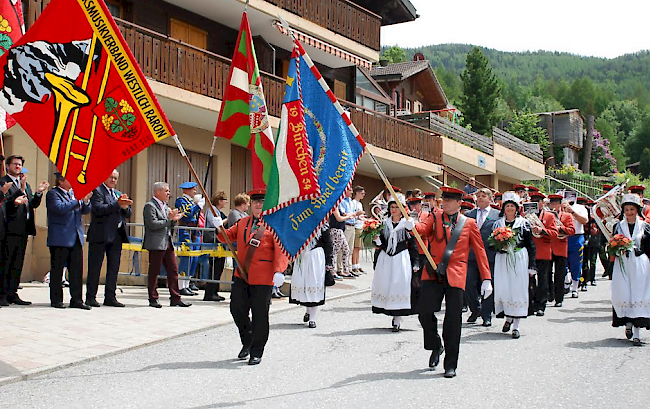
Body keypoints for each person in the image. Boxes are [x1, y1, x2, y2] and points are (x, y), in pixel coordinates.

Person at [415, 186, 492, 378]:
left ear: (459, 203)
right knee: (424, 312)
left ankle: (451, 364)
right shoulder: (435, 216)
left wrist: (486, 278)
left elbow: (480, 251)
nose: (445, 203)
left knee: (453, 320)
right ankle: (435, 345)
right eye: (444, 200)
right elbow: (423, 230)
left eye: (449, 200)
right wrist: (411, 225)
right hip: (433, 270)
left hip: (456, 274)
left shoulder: (469, 223)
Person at [212, 189, 288, 365]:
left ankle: (256, 351)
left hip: (263, 276)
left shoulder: (274, 224)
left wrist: (279, 270)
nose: (258, 205)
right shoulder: (242, 222)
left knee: (260, 315)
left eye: (262, 202)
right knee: (237, 309)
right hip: (242, 274)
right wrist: (218, 226)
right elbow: (226, 237)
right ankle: (247, 341)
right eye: (255, 202)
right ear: (251, 204)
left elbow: (281, 249)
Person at [0, 155, 48, 306]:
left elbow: (31, 203)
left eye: (20, 165)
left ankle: (12, 292)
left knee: (17, 263)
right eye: (14, 164)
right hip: (8, 229)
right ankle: (2, 294)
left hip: (23, 229)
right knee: (6, 263)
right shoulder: (3, 182)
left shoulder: (25, 184)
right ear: (7, 166)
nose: (17, 167)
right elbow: (5, 203)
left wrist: (39, 192)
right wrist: (17, 192)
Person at [490, 192, 537, 339]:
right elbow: (491, 244)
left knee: (517, 289)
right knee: (504, 288)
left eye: (512, 206)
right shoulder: (497, 224)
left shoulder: (524, 224)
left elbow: (531, 245)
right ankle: (508, 318)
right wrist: (500, 247)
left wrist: (532, 266)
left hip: (518, 259)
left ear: (517, 208)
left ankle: (516, 325)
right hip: (502, 260)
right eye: (507, 206)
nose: (509, 208)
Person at [46, 173, 92, 309]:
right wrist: (78, 200)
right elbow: (60, 209)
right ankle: (56, 300)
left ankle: (77, 299)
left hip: (76, 236)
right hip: (60, 237)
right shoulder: (53, 194)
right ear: (61, 181)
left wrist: (86, 201)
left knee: (76, 271)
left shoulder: (74, 194)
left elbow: (85, 210)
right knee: (57, 271)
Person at [371, 200, 419, 331]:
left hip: (400, 258)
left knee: (399, 285)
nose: (394, 209)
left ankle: (397, 319)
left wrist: (416, 262)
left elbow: (413, 244)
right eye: (392, 207)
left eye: (397, 207)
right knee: (385, 284)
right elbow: (380, 243)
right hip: (385, 258)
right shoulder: (384, 224)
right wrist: (376, 239)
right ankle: (388, 310)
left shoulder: (406, 224)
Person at [86, 169, 132, 308]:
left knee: (114, 268)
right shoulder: (97, 191)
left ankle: (110, 296)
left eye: (115, 178)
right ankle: (90, 297)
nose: (113, 180)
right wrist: (117, 204)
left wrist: (124, 206)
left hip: (117, 235)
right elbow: (99, 209)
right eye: (110, 177)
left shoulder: (117, 193)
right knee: (95, 267)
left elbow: (128, 213)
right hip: (100, 235)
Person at [610, 193, 650, 346]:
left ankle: (637, 333)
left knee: (640, 294)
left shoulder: (645, 227)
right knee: (624, 292)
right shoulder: (618, 226)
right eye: (626, 210)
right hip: (623, 264)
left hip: (640, 264)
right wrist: (617, 248)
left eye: (632, 209)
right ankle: (627, 323)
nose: (629, 213)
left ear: (637, 210)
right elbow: (613, 245)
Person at [142, 182, 190, 308]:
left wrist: (174, 220)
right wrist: (170, 220)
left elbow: (167, 224)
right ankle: (153, 298)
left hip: (167, 241)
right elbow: (153, 224)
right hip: (156, 243)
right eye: (166, 191)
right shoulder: (150, 206)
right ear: (158, 192)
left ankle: (175, 297)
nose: (169, 193)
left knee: (173, 270)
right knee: (154, 271)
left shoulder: (165, 206)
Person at [464, 188, 500, 326]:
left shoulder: (497, 215)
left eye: (483, 196)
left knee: (488, 286)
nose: (480, 198)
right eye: (478, 196)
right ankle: (475, 309)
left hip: (489, 254)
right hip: (471, 255)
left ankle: (486, 315)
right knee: (468, 283)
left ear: (490, 199)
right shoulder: (469, 214)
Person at [290, 226, 334, 328]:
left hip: (316, 256)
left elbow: (328, 243)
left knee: (314, 284)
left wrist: (329, 262)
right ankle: (308, 310)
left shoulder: (323, 225)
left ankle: (313, 318)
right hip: (302, 255)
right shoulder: (301, 223)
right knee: (304, 284)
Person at [528, 192, 558, 316]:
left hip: (543, 251)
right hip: (529, 251)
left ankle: (541, 305)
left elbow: (555, 234)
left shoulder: (550, 216)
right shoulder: (525, 216)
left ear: (542, 203)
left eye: (537, 201)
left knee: (543, 280)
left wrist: (542, 230)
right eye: (533, 201)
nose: (535, 203)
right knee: (529, 280)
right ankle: (531, 304)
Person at [547, 194, 575, 307]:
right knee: (547, 274)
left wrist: (559, 228)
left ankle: (559, 299)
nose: (554, 206)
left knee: (559, 274)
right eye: (552, 203)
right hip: (548, 247)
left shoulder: (567, 216)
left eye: (556, 204)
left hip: (561, 248)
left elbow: (572, 230)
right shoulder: (546, 215)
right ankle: (550, 294)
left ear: (560, 205)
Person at [176, 181, 201, 296]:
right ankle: (181, 286)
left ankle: (187, 284)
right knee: (186, 258)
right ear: (187, 190)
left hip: (193, 231)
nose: (195, 191)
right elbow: (187, 215)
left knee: (193, 259)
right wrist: (197, 207)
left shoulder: (191, 202)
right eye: (193, 189)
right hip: (185, 230)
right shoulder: (181, 201)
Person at [203, 191, 229, 302]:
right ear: (219, 201)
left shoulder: (218, 211)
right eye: (224, 200)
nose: (226, 202)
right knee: (214, 267)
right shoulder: (212, 210)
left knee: (219, 267)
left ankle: (215, 291)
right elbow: (215, 224)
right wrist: (227, 219)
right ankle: (209, 293)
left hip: (219, 242)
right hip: (213, 241)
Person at [563, 194, 589, 298]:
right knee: (562, 262)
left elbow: (584, 221)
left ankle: (575, 287)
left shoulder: (581, 208)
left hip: (576, 237)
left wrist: (572, 212)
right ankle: (566, 281)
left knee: (576, 263)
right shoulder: (560, 207)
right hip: (563, 236)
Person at [329, 204, 361, 279]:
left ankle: (345, 270)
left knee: (346, 250)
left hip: (340, 230)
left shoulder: (338, 207)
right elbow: (339, 218)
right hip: (335, 230)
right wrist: (348, 217)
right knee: (335, 252)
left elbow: (344, 214)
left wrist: (353, 214)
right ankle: (332, 271)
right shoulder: (333, 207)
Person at [581, 200, 600, 290]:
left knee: (593, 261)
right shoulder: (582, 215)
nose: (589, 207)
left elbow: (601, 226)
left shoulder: (596, 217)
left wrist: (596, 230)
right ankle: (583, 281)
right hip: (584, 239)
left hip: (594, 241)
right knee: (584, 263)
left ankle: (592, 278)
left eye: (591, 205)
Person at [338, 188, 358, 276]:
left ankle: (348, 268)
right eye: (350, 190)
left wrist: (358, 216)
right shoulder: (342, 201)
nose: (351, 192)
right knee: (342, 249)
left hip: (353, 226)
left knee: (350, 249)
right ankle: (340, 269)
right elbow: (344, 214)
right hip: (346, 226)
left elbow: (353, 213)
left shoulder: (350, 201)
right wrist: (355, 214)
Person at [351, 186, 366, 273]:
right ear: (357, 193)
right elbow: (353, 214)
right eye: (362, 193)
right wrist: (358, 215)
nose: (363, 195)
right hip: (355, 226)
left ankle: (357, 263)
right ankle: (353, 264)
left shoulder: (360, 204)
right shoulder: (353, 203)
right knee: (355, 247)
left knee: (358, 247)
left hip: (360, 226)